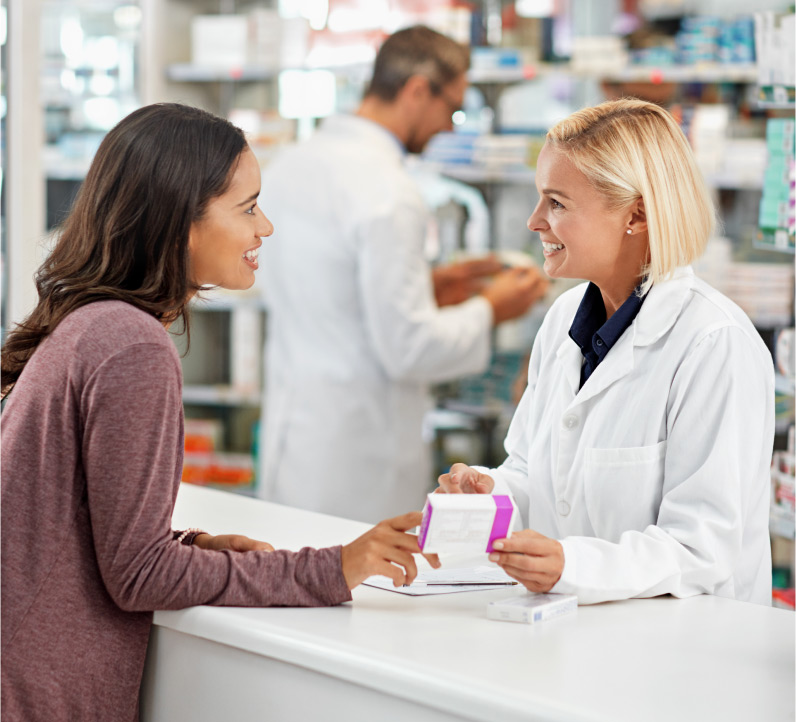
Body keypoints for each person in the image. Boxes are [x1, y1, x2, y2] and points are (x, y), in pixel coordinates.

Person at [0, 103, 438, 721]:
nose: (266, 229)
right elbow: (139, 576)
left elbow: (68, 526)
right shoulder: (131, 345)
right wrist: (332, 569)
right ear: (181, 217)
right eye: (248, 207)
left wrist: (196, 546)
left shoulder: (92, 324)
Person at [437, 98, 774, 606]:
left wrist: (571, 565)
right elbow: (532, 471)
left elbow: (702, 548)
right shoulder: (563, 320)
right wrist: (486, 493)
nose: (534, 221)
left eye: (556, 203)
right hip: (573, 636)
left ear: (635, 214)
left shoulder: (713, 342)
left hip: (688, 656)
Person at [257, 25, 548, 523]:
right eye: (452, 109)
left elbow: (330, 295)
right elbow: (408, 348)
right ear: (417, 90)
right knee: (357, 589)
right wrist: (493, 307)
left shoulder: (291, 164)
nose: (450, 129)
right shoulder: (389, 193)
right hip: (360, 451)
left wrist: (435, 288)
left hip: (296, 428)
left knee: (288, 569)